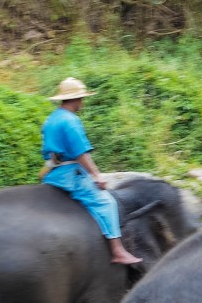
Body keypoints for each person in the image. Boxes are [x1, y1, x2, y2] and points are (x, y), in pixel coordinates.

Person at [39, 78, 142, 266]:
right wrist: (97, 176)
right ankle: (117, 250)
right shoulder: (71, 121)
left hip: (52, 174)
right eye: (81, 99)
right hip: (70, 175)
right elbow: (81, 154)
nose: (82, 103)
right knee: (106, 202)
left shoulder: (51, 118)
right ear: (76, 99)